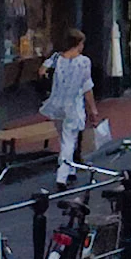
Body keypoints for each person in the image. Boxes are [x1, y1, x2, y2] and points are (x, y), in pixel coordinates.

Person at [43, 32, 96, 183]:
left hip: (56, 104)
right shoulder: (84, 62)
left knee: (64, 138)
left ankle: (71, 169)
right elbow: (87, 87)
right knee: (69, 140)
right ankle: (62, 175)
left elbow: (41, 70)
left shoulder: (56, 58)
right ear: (78, 43)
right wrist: (93, 108)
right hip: (73, 105)